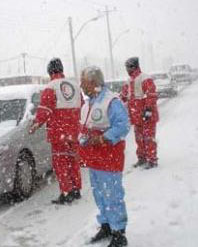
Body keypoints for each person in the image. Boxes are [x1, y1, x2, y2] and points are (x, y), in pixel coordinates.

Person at [78, 66, 129, 247]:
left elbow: (122, 126)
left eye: (83, 82)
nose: (81, 85)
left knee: (112, 194)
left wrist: (102, 138)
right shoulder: (89, 102)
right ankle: (106, 225)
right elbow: (85, 128)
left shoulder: (111, 101)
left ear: (93, 83)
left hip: (109, 159)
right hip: (95, 161)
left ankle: (119, 232)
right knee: (99, 194)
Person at [29, 57, 83, 204]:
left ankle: (67, 193)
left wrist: (35, 124)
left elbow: (44, 110)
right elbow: (82, 105)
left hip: (59, 133)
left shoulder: (51, 87)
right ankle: (76, 189)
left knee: (61, 164)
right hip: (74, 131)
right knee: (73, 161)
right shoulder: (74, 85)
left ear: (50, 71)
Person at [121, 57, 159, 169]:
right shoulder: (128, 82)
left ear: (134, 66)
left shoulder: (145, 78)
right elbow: (123, 96)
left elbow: (151, 95)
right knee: (139, 138)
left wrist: (148, 110)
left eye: (128, 67)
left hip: (147, 116)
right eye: (126, 67)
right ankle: (142, 158)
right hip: (136, 117)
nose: (127, 69)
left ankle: (152, 160)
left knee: (148, 138)